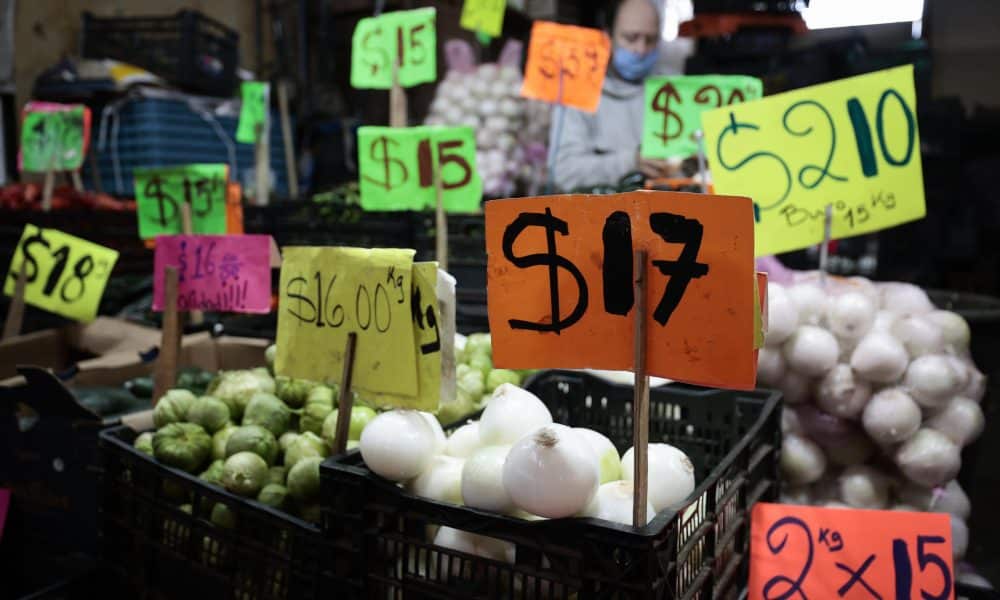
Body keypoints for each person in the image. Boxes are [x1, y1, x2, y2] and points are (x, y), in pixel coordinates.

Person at [548, 0, 681, 191]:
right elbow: (563, 172)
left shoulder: (674, 92)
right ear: (608, 37)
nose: (641, 49)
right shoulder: (579, 93)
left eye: (650, 40)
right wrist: (631, 162)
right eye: (630, 37)